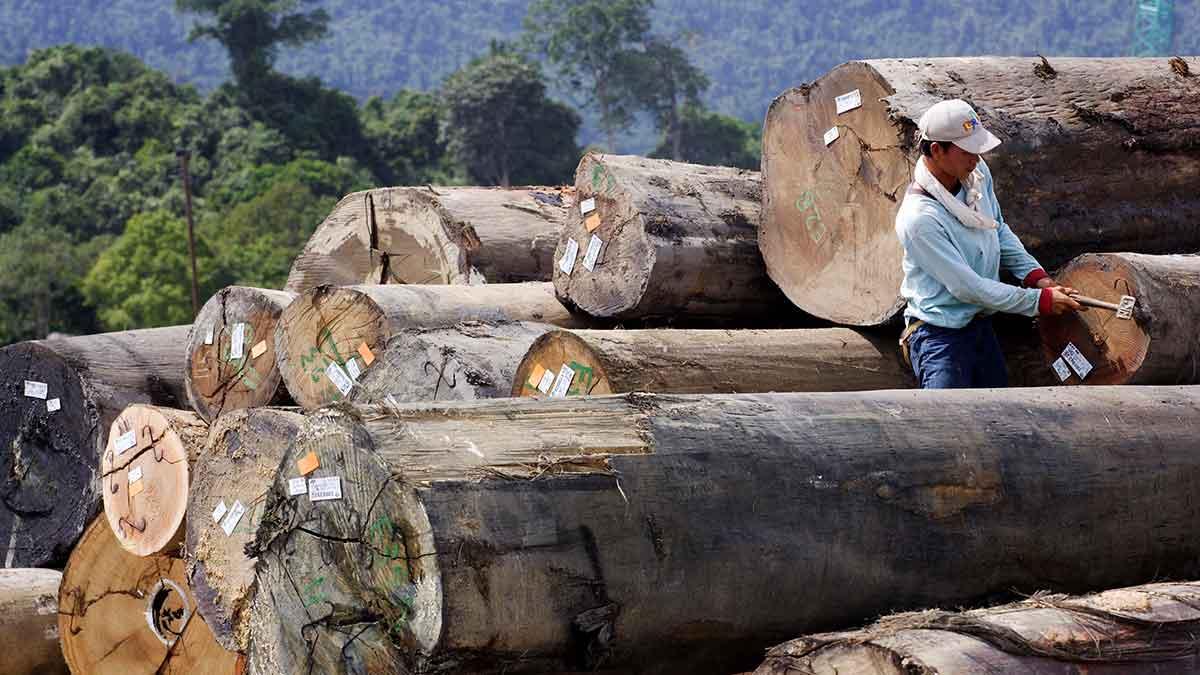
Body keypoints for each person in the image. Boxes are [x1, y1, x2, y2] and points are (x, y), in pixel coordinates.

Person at [896, 99, 1080, 389]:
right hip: (939, 336)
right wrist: (1038, 301)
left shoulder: (975, 174)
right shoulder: (920, 219)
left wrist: (1035, 277)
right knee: (947, 423)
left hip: (980, 326)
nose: (976, 157)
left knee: (998, 419)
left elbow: (998, 229)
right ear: (937, 150)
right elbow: (968, 288)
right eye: (968, 150)